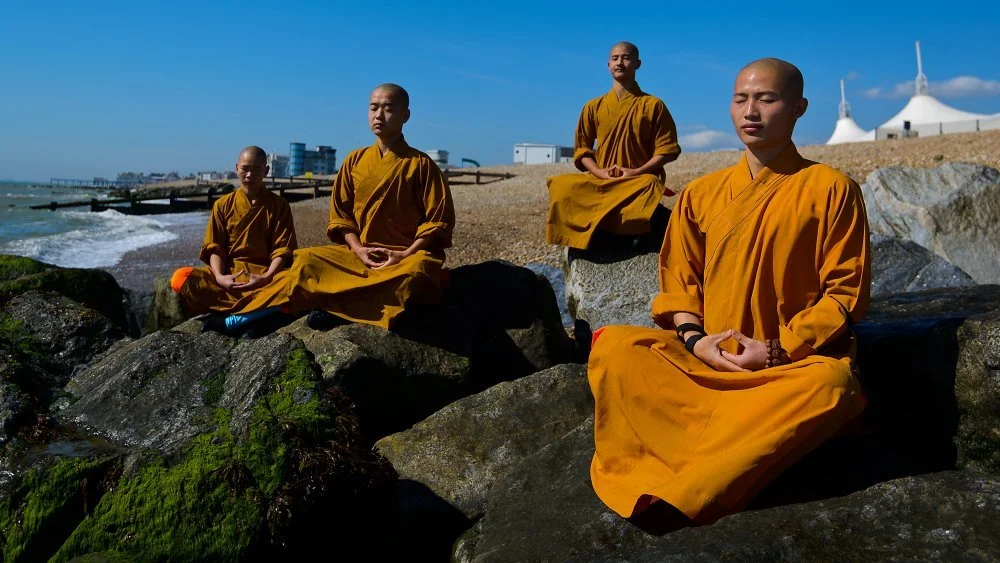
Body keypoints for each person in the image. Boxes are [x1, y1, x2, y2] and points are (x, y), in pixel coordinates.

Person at [587, 58, 871, 526]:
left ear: (798, 107)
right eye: (741, 99)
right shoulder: (700, 193)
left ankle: (691, 478)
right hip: (708, 359)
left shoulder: (831, 188)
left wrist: (775, 351)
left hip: (784, 368)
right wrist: (697, 340)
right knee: (617, 347)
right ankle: (715, 454)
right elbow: (679, 283)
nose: (751, 111)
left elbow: (844, 294)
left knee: (833, 386)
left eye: (767, 99)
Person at [286, 83, 455, 329]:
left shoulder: (422, 164)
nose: (379, 115)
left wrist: (404, 254)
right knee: (305, 260)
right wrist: (358, 250)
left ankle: (339, 306)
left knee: (419, 271)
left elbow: (438, 220)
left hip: (402, 257)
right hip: (361, 255)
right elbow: (341, 217)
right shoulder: (354, 160)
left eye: (388, 109)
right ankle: (366, 305)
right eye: (373, 108)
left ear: (405, 115)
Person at [546, 41, 681, 250]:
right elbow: (582, 150)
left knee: (650, 184)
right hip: (602, 179)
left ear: (638, 64)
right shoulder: (593, 106)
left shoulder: (653, 105)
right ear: (608, 64)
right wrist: (600, 173)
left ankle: (632, 229)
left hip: (636, 180)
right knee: (562, 185)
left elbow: (667, 149)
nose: (620, 63)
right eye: (615, 58)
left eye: (626, 58)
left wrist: (636, 171)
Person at [171, 146, 297, 332]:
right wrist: (220, 277)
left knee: (296, 281)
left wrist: (266, 277)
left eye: (256, 169)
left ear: (266, 171)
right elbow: (214, 247)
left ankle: (233, 320)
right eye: (245, 168)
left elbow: (282, 249)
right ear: (237, 168)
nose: (249, 175)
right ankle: (257, 312)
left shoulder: (279, 206)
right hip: (230, 276)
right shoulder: (223, 205)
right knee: (180, 278)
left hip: (265, 277)